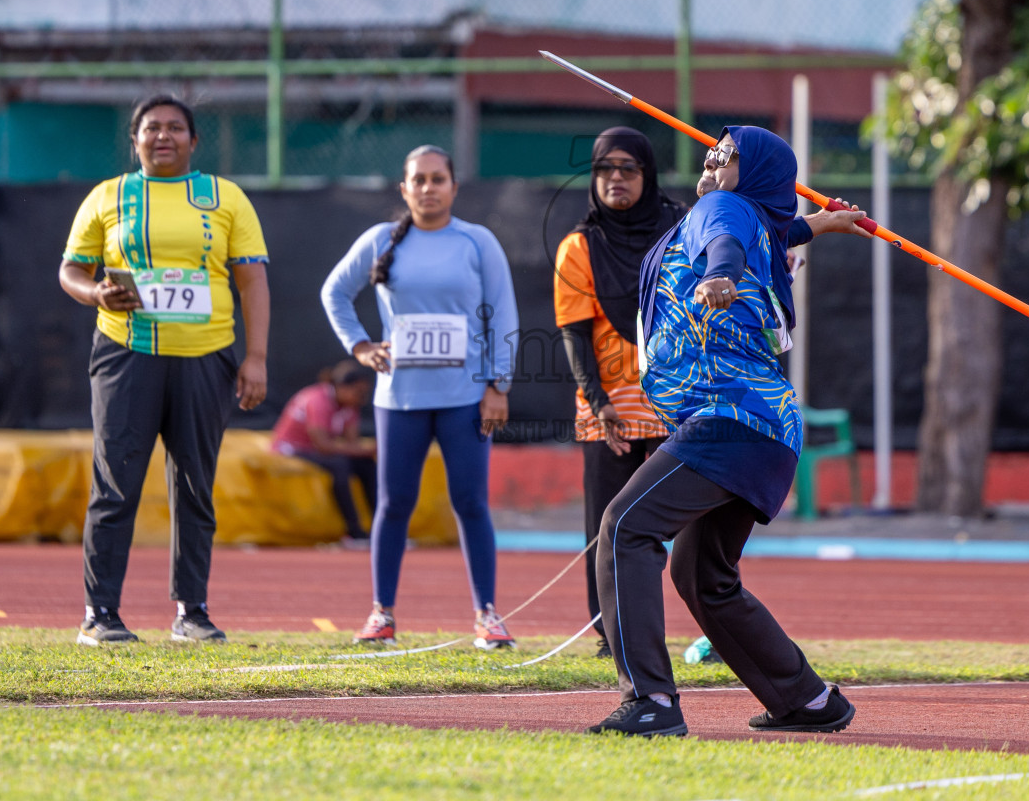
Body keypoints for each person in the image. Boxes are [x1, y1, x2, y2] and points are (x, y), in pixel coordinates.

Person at [588, 126, 873, 736]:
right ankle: (808, 699)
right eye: (715, 148)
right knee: (702, 576)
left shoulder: (723, 211)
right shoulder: (753, 220)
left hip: (730, 418)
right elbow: (768, 231)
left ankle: (651, 702)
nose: (715, 155)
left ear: (756, 175)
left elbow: (725, 242)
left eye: (730, 153)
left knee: (624, 527)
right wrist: (821, 225)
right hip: (762, 428)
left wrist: (719, 275)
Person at [59, 93, 270, 647]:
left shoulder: (226, 198)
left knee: (196, 486)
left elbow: (252, 282)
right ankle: (99, 613)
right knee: (116, 484)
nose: (163, 136)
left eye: (176, 128)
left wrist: (256, 358)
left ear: (194, 141)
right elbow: (71, 270)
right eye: (151, 128)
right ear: (135, 140)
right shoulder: (109, 196)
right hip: (126, 353)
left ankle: (191, 612)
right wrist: (95, 293)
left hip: (206, 358)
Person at [321, 144, 520, 650]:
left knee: (470, 502)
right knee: (393, 504)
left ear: (454, 186)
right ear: (403, 188)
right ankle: (381, 614)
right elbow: (334, 293)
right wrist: (361, 347)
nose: (428, 189)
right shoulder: (380, 240)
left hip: (466, 397)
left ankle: (487, 616)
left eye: (438, 179)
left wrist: (498, 386)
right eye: (419, 180)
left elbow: (505, 315)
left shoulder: (477, 243)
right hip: (400, 399)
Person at [554, 127, 684, 658]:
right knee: (607, 521)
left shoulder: (679, 229)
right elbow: (574, 332)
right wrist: (599, 401)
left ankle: (712, 622)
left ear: (647, 175)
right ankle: (613, 631)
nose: (615, 180)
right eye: (605, 169)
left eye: (627, 169)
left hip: (678, 402)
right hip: (608, 407)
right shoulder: (578, 247)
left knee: (686, 524)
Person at [272, 360, 378, 548]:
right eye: (359, 392)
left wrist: (366, 452)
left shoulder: (349, 405)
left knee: (367, 465)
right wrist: (365, 449)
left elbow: (352, 443)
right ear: (342, 387)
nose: (362, 398)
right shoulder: (318, 400)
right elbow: (322, 446)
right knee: (340, 465)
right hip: (292, 448)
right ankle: (354, 532)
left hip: (315, 449)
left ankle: (381, 530)